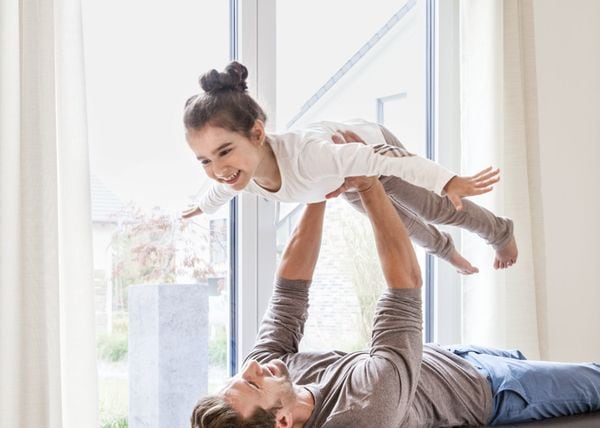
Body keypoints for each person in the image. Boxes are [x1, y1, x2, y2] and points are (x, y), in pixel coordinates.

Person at [190, 173, 600, 428]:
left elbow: (288, 293)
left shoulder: (275, 376)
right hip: (493, 390)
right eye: (250, 382)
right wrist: (368, 185)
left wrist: (317, 192)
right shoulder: (363, 414)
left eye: (242, 375)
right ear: (281, 421)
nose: (253, 367)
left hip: (453, 357)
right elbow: (406, 284)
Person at [181, 61, 518, 274]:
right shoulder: (240, 174)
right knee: (401, 224)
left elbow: (384, 157)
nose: (218, 168)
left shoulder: (312, 156)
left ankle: (499, 231)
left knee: (435, 209)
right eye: (205, 161)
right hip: (346, 183)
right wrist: (200, 207)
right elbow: (217, 191)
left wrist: (447, 181)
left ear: (257, 133)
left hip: (367, 150)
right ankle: (446, 251)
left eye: (224, 152)